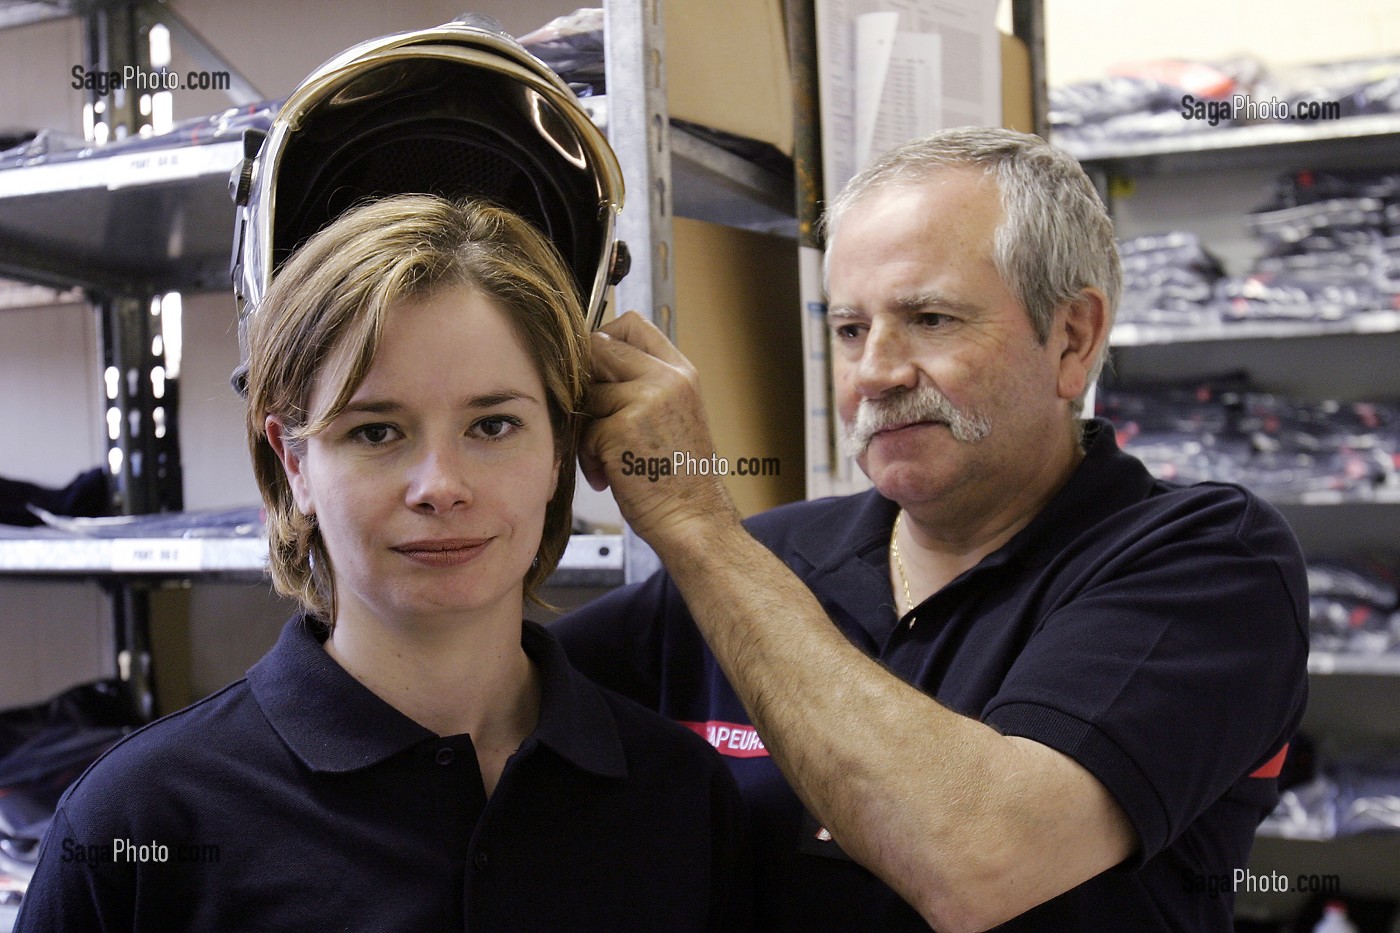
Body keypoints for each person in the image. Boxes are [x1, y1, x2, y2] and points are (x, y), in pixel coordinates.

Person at [554, 126, 1309, 932]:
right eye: (849, 329)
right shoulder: (771, 561)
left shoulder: (1211, 562)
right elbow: (473, 700)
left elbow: (977, 858)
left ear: (1073, 338)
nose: (875, 371)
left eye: (931, 318)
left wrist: (693, 518)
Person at [15, 195, 749, 932]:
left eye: (493, 424)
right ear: (293, 462)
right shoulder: (139, 820)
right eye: (375, 431)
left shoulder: (678, 795)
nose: (441, 486)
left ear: (560, 449)